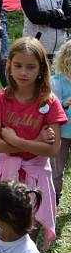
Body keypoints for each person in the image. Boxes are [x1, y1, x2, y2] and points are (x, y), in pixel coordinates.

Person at [0, 37, 66, 252]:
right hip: (4, 175)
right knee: (0, 228)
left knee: (28, 233)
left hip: (35, 178)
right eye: (18, 65)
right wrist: (35, 143)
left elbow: (53, 148)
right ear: (9, 65)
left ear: (40, 69)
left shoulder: (49, 101)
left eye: (30, 67)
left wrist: (15, 140)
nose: (23, 72)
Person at [51, 40, 71, 205]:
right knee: (56, 170)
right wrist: (65, 103)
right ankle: (54, 197)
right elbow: (51, 112)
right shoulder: (56, 81)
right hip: (61, 133)